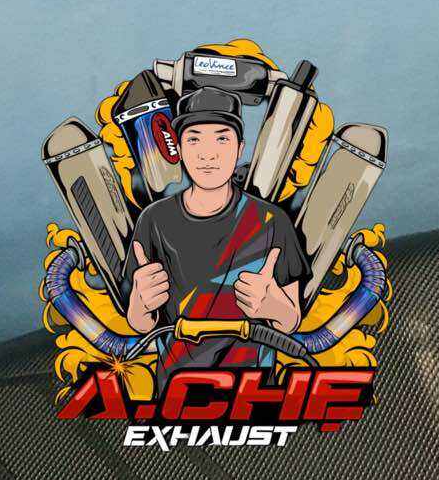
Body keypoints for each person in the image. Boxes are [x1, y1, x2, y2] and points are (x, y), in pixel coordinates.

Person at [122, 86, 311, 383]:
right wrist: (141, 305)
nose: (208, 154)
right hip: (175, 387)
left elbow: (291, 322)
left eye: (222, 138)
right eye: (194, 139)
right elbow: (140, 324)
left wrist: (275, 307)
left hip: (254, 389)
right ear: (179, 148)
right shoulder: (154, 220)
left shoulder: (272, 220)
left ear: (240, 148)